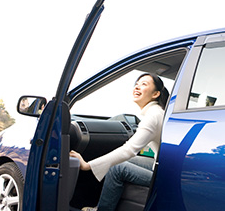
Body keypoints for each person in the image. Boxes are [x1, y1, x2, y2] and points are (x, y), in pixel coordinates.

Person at [70, 73, 169, 211]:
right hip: (162, 167)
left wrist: (88, 166)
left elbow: (129, 149)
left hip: (164, 174)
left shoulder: (153, 115)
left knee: (117, 167)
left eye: (144, 84)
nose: (137, 87)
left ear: (156, 94)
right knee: (130, 160)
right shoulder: (156, 112)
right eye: (137, 83)